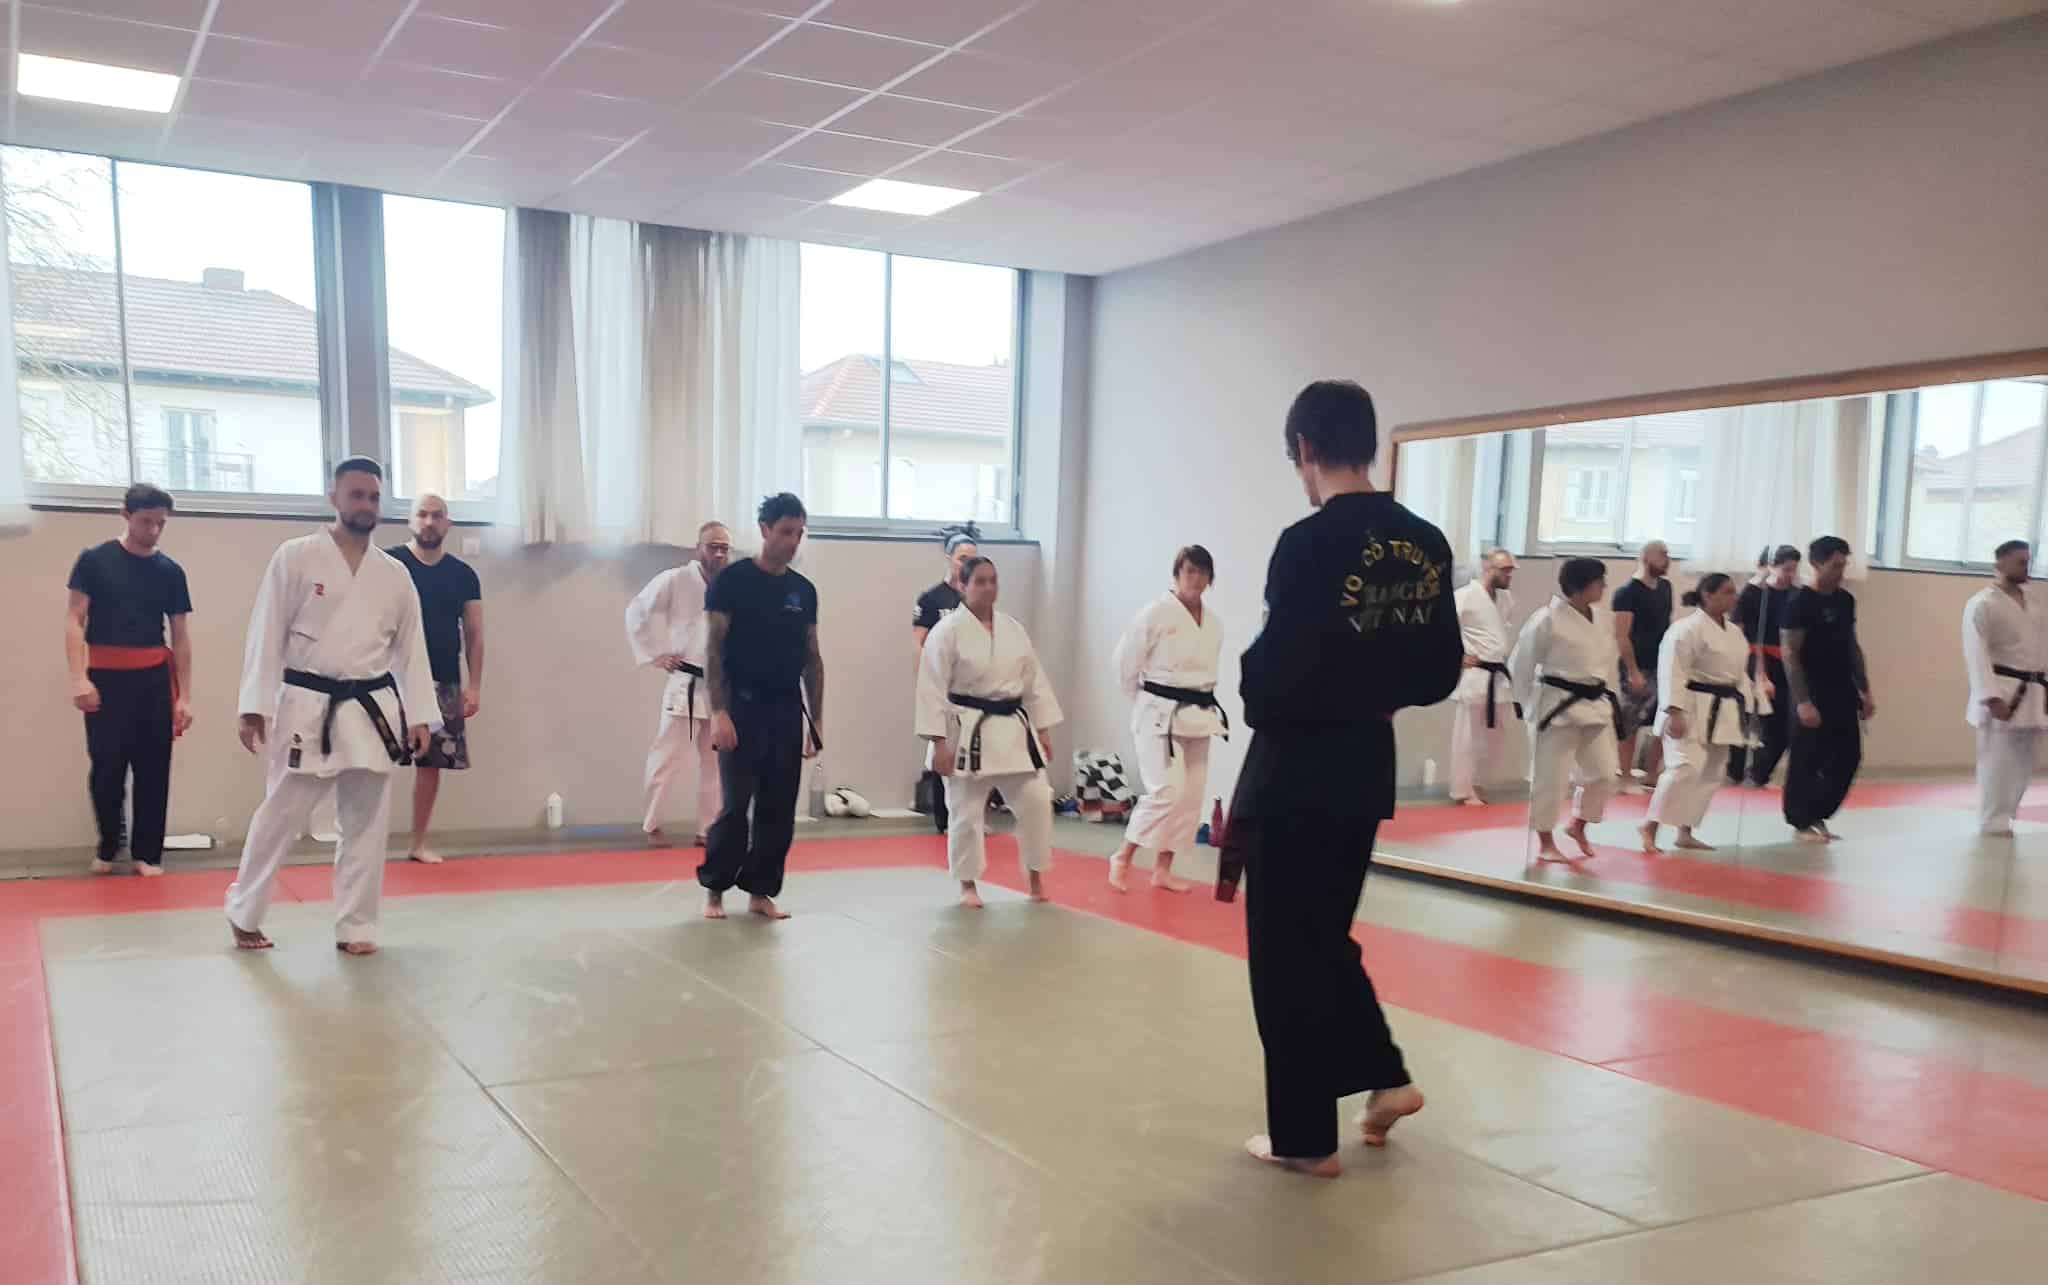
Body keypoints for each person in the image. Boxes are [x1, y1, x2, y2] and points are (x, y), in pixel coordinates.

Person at [1229, 380, 1460, 1178]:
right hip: (1365, 766)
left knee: (1283, 955)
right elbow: (1439, 670)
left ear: (1305, 449)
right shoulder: (1426, 541)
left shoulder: (1307, 543)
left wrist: (1259, 680)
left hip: (1297, 770)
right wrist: (1371, 689)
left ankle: (1304, 1140)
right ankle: (1386, 1076)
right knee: (1323, 936)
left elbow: (1271, 678)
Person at [226, 458, 435, 954]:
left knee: (366, 823)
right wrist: (254, 704)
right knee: (281, 814)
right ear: (334, 498)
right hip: (307, 703)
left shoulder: (395, 574)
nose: (366, 505)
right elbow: (266, 631)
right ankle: (244, 911)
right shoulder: (295, 557)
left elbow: (412, 648)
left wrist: (420, 715)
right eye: (356, 494)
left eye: (373, 497)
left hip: (371, 708)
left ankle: (357, 926)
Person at [700, 493, 822, 921]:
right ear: (765, 529)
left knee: (778, 807)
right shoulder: (731, 582)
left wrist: (817, 720)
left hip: (786, 709)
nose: (793, 541)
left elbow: (812, 658)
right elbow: (713, 651)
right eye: (786, 531)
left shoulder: (803, 591)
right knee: (736, 806)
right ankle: (715, 889)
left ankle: (760, 891)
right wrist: (719, 712)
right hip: (740, 707)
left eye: (799, 533)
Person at [917, 556, 1062, 907]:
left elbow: (1034, 681)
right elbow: (931, 689)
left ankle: (1035, 876)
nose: (988, 587)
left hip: (1012, 729)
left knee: (1037, 800)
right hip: (967, 730)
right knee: (965, 813)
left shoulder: (1013, 629)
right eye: (980, 581)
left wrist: (1043, 729)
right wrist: (939, 743)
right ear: (962, 586)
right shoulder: (946, 631)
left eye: (993, 580)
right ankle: (968, 884)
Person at [64, 483, 194, 877]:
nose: (153, 530)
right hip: (105, 678)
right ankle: (109, 844)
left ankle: (148, 853)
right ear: (125, 515)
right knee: (106, 769)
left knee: (154, 768)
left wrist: (184, 697)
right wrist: (79, 679)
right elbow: (74, 620)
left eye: (161, 523)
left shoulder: (170, 571)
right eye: (146, 521)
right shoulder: (94, 560)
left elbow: (181, 636)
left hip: (154, 679)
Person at [1108, 545, 1227, 893]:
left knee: (1190, 797)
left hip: (1199, 713)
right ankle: (1123, 857)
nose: (1196, 578)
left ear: (1210, 578)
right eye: (1190, 571)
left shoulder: (1214, 623)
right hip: (1158, 713)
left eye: (1202, 572)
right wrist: (1145, 700)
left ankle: (1162, 869)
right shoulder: (1155, 613)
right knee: (1165, 792)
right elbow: (1125, 665)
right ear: (1177, 574)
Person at [388, 493, 483, 864]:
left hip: (443, 679)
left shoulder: (463, 575)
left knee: (430, 766)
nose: (429, 522)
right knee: (370, 760)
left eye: (437, 515)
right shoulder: (389, 564)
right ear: (410, 520)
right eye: (422, 514)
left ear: (448, 523)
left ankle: (418, 842)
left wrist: (474, 686)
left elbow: (474, 633)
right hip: (389, 680)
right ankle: (362, 842)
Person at [626, 521, 733, 847]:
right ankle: (652, 825)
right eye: (712, 547)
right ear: (698, 548)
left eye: (724, 548)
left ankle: (708, 829)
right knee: (666, 757)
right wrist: (654, 654)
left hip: (719, 686)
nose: (719, 553)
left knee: (717, 762)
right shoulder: (676, 579)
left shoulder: (734, 585)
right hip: (685, 681)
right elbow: (637, 611)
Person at [1510, 558, 1621, 863]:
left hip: (1594, 704)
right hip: (1556, 706)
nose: (1604, 586)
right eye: (1599, 581)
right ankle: (1545, 841)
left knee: (1604, 773)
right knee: (1551, 778)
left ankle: (1578, 824)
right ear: (1580, 585)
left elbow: (1602, 663)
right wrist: (1525, 704)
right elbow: (1521, 663)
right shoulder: (1546, 619)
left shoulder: (1602, 618)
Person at [1642, 574, 1755, 853]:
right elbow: (1671, 671)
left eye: (1734, 592)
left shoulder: (1734, 632)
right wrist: (1674, 711)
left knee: (1711, 772)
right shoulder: (1685, 629)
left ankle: (1685, 831)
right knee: (1684, 768)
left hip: (1723, 709)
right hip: (1689, 706)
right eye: (1727, 592)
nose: (1734, 597)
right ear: (1708, 594)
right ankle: (1649, 826)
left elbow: (1739, 675)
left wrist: (1754, 700)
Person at [1781, 535, 1874, 843]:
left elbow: (1852, 646)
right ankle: (1800, 820)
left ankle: (1818, 812)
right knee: (1807, 758)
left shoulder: (1845, 601)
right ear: (1816, 564)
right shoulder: (1799, 602)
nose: (1840, 571)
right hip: (1811, 689)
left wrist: (1865, 689)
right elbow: (1790, 654)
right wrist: (1803, 701)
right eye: (1835, 565)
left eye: (1843, 565)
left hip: (1842, 689)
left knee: (1849, 756)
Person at [1962, 540, 2047, 837]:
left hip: (2033, 690)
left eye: (2028, 561)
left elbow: (2042, 649)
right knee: (1997, 760)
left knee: (2026, 761)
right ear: (2000, 563)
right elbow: (1975, 653)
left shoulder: (2035, 603)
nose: (2026, 567)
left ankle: (2008, 812)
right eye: (2020, 561)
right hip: (2003, 691)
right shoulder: (1982, 604)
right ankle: (1992, 819)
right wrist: (1990, 696)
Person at [913, 524, 981, 834]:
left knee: (975, 751)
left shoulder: (976, 600)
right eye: (963, 558)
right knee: (943, 751)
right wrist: (926, 683)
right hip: (944, 687)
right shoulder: (931, 599)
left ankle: (973, 817)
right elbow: (919, 643)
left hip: (972, 689)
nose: (967, 564)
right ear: (949, 558)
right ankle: (945, 820)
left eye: (973, 559)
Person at [1448, 549, 1518, 806]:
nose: (1510, 575)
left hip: (1497, 675)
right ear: (1489, 568)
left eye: (1511, 570)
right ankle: (1462, 789)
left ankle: (1479, 783)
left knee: (1495, 735)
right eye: (1505, 570)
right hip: (1476, 674)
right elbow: (1444, 628)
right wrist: (1456, 657)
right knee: (1467, 737)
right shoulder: (1465, 596)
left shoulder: (1506, 599)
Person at [1729, 545, 1801, 787]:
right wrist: (1760, 674)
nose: (1790, 574)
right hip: (1756, 659)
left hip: (1785, 663)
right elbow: (1745, 635)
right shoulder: (1753, 594)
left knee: (1782, 724)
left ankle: (1759, 773)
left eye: (1794, 569)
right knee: (1747, 717)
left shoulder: (1796, 595)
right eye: (1786, 569)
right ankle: (1735, 771)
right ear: (1772, 566)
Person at [1612, 540, 1673, 793]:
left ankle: (1651, 773)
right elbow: (1622, 635)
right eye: (1662, 555)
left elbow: (1667, 626)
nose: (1667, 560)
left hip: (1662, 664)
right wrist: (1633, 671)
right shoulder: (1627, 592)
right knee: (1630, 722)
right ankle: (1625, 774)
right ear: (1647, 558)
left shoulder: (1666, 588)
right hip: (1638, 664)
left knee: (1662, 719)